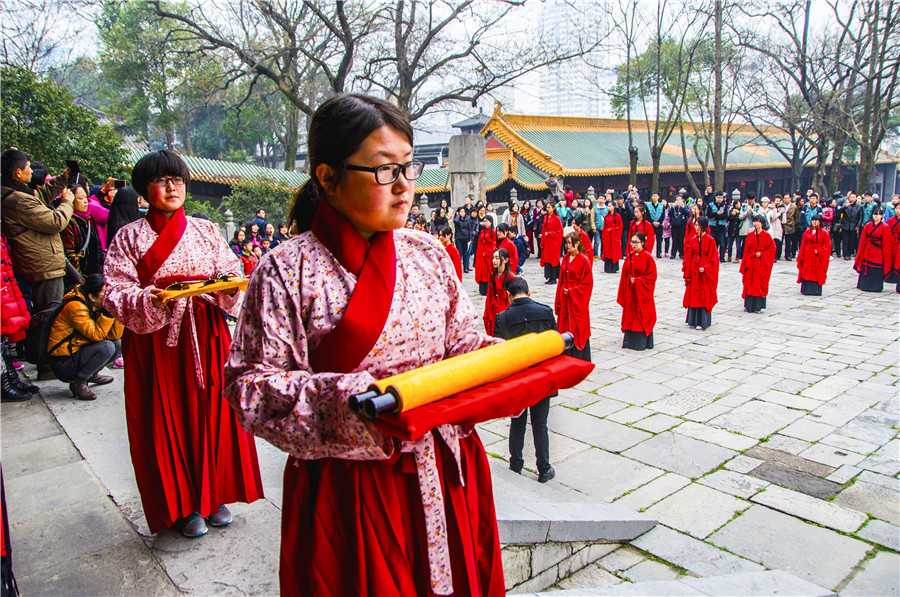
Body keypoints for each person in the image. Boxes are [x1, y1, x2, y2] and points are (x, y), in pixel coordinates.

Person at [223, 94, 505, 596]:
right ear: (328, 178)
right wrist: (352, 402)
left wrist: (503, 359)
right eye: (384, 170)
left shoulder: (428, 252)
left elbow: (460, 339)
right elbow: (250, 388)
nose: (404, 186)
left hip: (443, 465)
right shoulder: (286, 270)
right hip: (349, 485)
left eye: (409, 167)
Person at [103, 149, 264, 539]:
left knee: (214, 413)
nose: (172, 187)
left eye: (177, 180)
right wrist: (152, 298)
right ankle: (182, 505)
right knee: (165, 418)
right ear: (144, 190)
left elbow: (230, 272)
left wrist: (227, 287)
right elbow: (115, 292)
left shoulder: (205, 230)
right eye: (161, 180)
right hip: (157, 339)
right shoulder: (129, 237)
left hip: (206, 332)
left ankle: (215, 496)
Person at [493, 277, 556, 483]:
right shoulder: (545, 311)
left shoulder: (502, 317)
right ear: (529, 293)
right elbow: (556, 344)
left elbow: (498, 355)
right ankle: (544, 469)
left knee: (517, 423)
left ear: (508, 296)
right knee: (540, 424)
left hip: (518, 378)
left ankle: (516, 464)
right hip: (541, 376)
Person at [0, 149, 73, 311]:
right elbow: (56, 221)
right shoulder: (18, 200)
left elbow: (41, 195)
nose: (32, 171)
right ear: (18, 173)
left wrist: (64, 178)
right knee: (49, 315)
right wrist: (67, 202)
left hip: (41, 265)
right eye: (28, 167)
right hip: (43, 268)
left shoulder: (17, 193)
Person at [46, 274, 122, 400]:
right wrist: (108, 313)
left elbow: (114, 335)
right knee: (106, 347)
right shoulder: (76, 306)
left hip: (76, 351)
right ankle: (79, 382)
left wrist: (116, 312)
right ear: (91, 296)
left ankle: (92, 374)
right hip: (63, 362)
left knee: (117, 344)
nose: (109, 297)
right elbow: (96, 336)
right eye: (105, 293)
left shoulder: (93, 303)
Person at [555, 232, 592, 361]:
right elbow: (561, 280)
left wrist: (572, 291)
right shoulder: (565, 258)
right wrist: (559, 297)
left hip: (577, 298)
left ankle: (578, 354)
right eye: (566, 243)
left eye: (570, 243)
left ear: (577, 243)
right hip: (565, 297)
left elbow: (587, 284)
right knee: (564, 324)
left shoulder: (583, 260)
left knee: (578, 324)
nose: (568, 246)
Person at [618, 232, 656, 351]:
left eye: (636, 242)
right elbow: (624, 276)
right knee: (630, 315)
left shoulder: (648, 258)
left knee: (641, 315)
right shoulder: (629, 257)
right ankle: (629, 341)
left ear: (643, 243)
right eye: (632, 242)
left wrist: (638, 281)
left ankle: (641, 342)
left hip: (641, 292)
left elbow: (652, 277)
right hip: (630, 291)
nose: (634, 245)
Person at [683, 216, 719, 330]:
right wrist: (688, 274)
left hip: (704, 272)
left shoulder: (710, 240)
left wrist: (706, 268)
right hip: (694, 271)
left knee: (704, 295)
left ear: (704, 226)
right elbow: (689, 257)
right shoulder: (693, 240)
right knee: (694, 295)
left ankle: (702, 321)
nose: (696, 228)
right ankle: (692, 321)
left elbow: (714, 259)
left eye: (698, 225)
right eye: (696, 225)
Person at [61, 184, 103, 279]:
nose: (85, 201)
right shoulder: (69, 222)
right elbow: (69, 255)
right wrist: (80, 278)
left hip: (94, 274)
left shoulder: (88, 218)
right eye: (80, 198)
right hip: (79, 277)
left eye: (86, 197)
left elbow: (98, 246)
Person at [740, 215, 776, 313]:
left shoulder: (766, 235)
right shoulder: (750, 235)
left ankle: (758, 306)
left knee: (758, 284)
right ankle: (748, 306)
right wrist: (745, 263)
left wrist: (762, 254)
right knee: (749, 283)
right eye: (754, 221)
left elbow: (772, 249)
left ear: (762, 223)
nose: (756, 223)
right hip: (751, 262)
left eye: (758, 222)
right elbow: (746, 250)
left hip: (761, 264)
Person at [854, 207, 893, 292]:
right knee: (867, 267)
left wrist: (885, 254)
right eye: (875, 214)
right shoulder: (867, 225)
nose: (876, 216)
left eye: (878, 214)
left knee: (877, 268)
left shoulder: (885, 227)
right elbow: (863, 240)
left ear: (881, 216)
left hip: (878, 251)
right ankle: (865, 285)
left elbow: (887, 242)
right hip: (868, 249)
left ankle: (876, 287)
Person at [797, 214, 832, 296]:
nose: (814, 222)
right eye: (813, 220)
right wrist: (801, 255)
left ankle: (815, 290)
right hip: (808, 254)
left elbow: (827, 245)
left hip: (817, 255)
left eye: (816, 221)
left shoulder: (824, 232)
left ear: (820, 222)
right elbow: (803, 244)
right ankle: (806, 289)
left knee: (817, 271)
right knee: (806, 270)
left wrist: (819, 251)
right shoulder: (807, 231)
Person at [484, 248, 514, 335]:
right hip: (493, 310)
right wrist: (487, 313)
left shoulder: (511, 277)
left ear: (506, 260)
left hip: (505, 312)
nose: (494, 261)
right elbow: (489, 296)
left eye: (497, 258)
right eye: (493, 258)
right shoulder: (493, 276)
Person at [540, 202, 563, 284]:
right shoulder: (545, 217)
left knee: (553, 258)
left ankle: (554, 278)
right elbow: (543, 229)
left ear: (553, 208)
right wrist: (542, 240)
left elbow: (560, 231)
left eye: (549, 207)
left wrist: (550, 233)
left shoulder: (557, 218)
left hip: (554, 242)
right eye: (547, 207)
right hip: (547, 241)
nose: (548, 209)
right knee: (547, 259)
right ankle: (549, 277)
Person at [475, 215, 497, 295]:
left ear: (491, 222)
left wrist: (489, 252)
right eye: (484, 221)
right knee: (481, 271)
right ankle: (482, 289)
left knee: (488, 272)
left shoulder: (493, 232)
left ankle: (488, 289)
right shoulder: (482, 232)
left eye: (487, 221)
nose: (485, 223)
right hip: (481, 254)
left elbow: (494, 244)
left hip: (489, 254)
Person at [838, 192, 862, 260]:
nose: (852, 199)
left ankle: (849, 253)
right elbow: (839, 211)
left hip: (853, 226)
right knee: (845, 241)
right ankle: (845, 255)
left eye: (853, 197)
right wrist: (845, 206)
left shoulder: (859, 207)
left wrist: (858, 225)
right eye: (851, 197)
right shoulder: (845, 205)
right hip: (845, 225)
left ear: (856, 198)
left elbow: (860, 217)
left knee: (851, 241)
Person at [601, 202, 623, 273]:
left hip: (614, 236)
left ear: (614, 206)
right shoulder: (606, 216)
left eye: (610, 206)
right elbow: (604, 226)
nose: (609, 207)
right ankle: (608, 268)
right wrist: (603, 236)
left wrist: (613, 230)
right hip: (607, 236)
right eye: (608, 206)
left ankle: (614, 268)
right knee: (607, 251)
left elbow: (620, 226)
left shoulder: (618, 216)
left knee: (614, 251)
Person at [707, 191, 728, 262]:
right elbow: (709, 215)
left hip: (721, 227)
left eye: (721, 198)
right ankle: (713, 257)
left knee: (722, 244)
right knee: (713, 243)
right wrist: (717, 214)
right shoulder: (711, 205)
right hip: (713, 227)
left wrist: (715, 216)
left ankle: (722, 258)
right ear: (715, 197)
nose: (720, 199)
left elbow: (725, 216)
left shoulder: (724, 206)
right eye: (718, 197)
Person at [668, 195, 689, 260]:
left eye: (680, 199)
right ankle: (673, 254)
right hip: (674, 225)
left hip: (682, 226)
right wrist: (672, 207)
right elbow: (669, 214)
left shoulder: (684, 206)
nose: (679, 201)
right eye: (677, 200)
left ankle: (681, 253)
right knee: (674, 240)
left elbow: (688, 214)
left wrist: (683, 207)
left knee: (681, 240)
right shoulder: (673, 207)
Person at [453, 206, 473, 273]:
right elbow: (455, 221)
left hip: (466, 237)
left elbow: (469, 229)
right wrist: (458, 215)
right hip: (459, 238)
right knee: (459, 253)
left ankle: (465, 267)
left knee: (465, 253)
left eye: (463, 212)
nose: (463, 213)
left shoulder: (467, 219)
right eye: (461, 212)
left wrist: (470, 238)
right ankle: (458, 267)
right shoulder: (457, 219)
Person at [885, 209, 900, 293]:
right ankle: (889, 276)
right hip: (892, 240)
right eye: (897, 208)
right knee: (890, 258)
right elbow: (886, 230)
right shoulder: (891, 220)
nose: (898, 210)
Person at [646, 193, 665, 257]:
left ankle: (659, 253)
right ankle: (648, 252)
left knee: (659, 240)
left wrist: (659, 222)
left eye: (656, 196)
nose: (654, 197)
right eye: (653, 196)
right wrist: (652, 222)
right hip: (651, 225)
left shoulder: (661, 205)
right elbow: (647, 215)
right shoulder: (648, 205)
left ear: (658, 197)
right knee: (650, 239)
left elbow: (663, 215)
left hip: (659, 225)